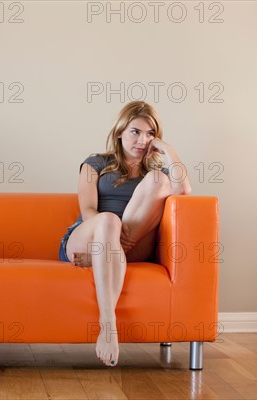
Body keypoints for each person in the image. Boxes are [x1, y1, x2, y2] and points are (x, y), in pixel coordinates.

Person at [59, 101, 191, 367]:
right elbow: (87, 211)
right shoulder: (95, 163)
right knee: (108, 220)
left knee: (159, 181)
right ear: (120, 131)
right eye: (136, 132)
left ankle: (101, 257)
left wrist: (168, 150)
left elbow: (184, 191)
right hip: (89, 236)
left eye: (150, 134)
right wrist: (112, 232)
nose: (143, 140)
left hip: (131, 244)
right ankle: (108, 325)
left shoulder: (157, 172)